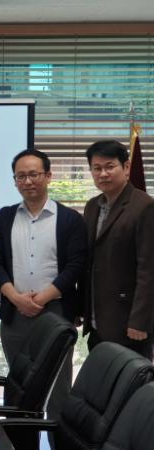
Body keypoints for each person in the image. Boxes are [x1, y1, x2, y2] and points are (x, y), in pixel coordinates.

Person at [0, 148, 87, 419]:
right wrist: (16, 298)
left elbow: (75, 266)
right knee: (19, 390)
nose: (28, 181)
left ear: (48, 176)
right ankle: (21, 439)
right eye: (21, 176)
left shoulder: (70, 219)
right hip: (15, 313)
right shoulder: (4, 217)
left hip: (56, 312)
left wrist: (41, 299)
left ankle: (59, 439)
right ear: (15, 181)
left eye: (34, 174)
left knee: (58, 390)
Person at [83, 140, 154, 359]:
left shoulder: (144, 206)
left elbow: (149, 270)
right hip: (97, 320)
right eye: (97, 168)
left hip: (129, 324)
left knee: (131, 380)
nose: (103, 174)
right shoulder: (92, 206)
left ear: (126, 167)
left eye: (109, 166)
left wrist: (140, 321)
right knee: (101, 379)